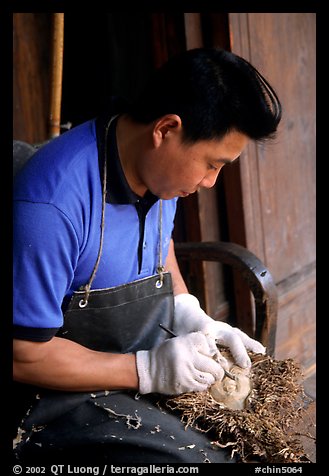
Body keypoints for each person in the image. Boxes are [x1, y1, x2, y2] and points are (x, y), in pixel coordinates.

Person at [13, 47, 282, 464]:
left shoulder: (156, 172)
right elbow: (24, 356)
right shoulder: (52, 207)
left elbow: (159, 243)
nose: (211, 182)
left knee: (262, 436)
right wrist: (148, 371)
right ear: (166, 129)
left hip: (136, 356)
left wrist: (186, 310)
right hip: (54, 401)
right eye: (213, 164)